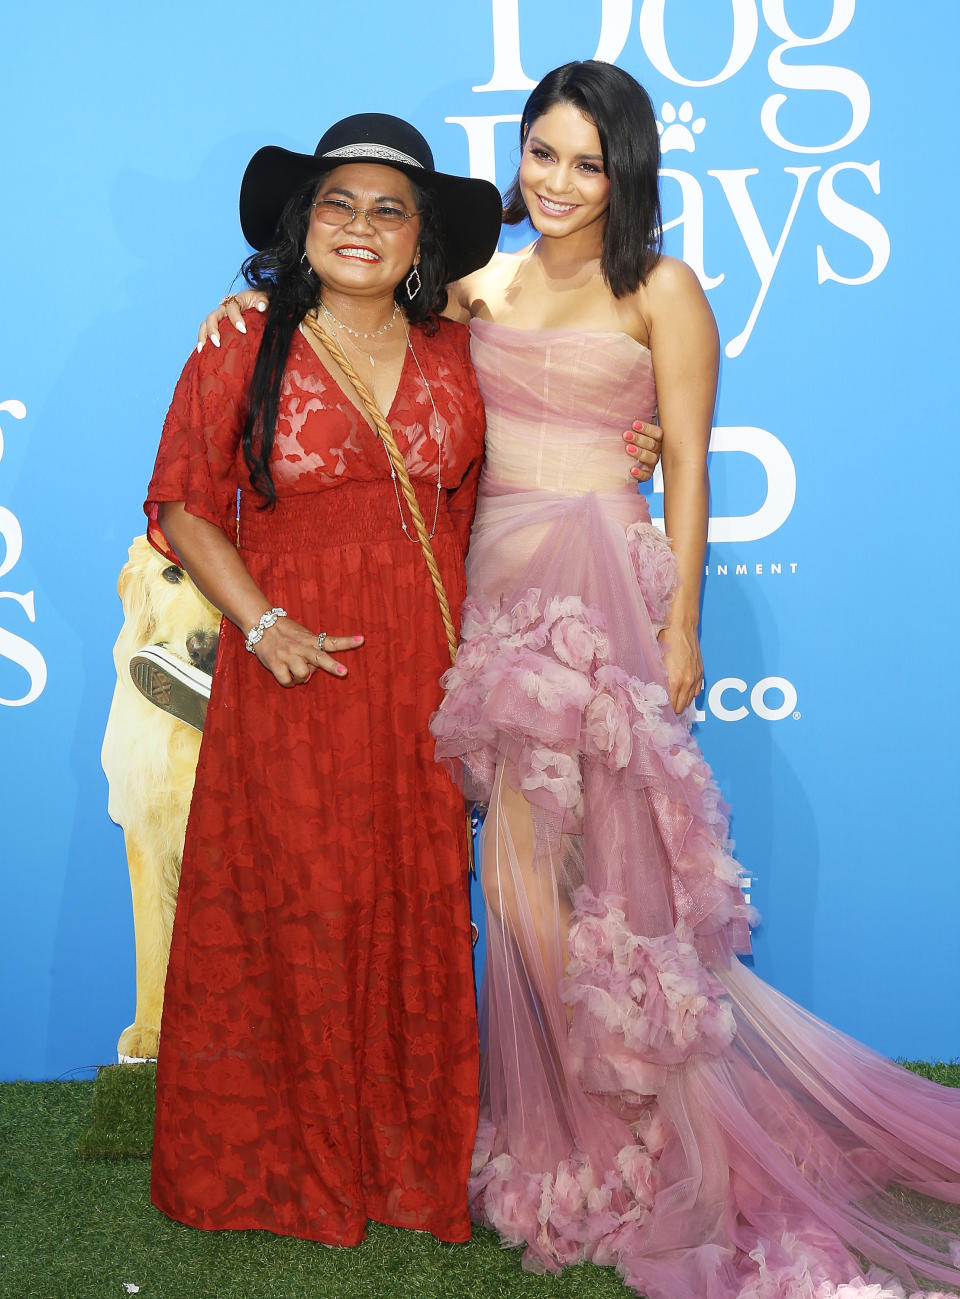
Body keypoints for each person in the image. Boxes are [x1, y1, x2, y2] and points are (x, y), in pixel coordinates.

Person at [196, 65, 960, 1298]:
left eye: (585, 163)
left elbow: (693, 467)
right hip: (493, 589)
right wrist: (237, 315)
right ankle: (554, 1143)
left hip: (606, 578)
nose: (556, 184)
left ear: (628, 176)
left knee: (628, 886)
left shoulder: (664, 291)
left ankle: (661, 1145)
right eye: (541, 155)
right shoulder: (470, 283)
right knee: (521, 887)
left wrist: (684, 621)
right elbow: (354, 325)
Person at [144, 113, 504, 1247]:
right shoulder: (238, 341)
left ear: (421, 240)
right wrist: (259, 625)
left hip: (427, 670)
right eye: (337, 204)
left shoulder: (462, 352)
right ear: (301, 229)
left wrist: (634, 446)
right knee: (300, 902)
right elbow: (186, 505)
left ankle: (409, 1163)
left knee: (416, 898)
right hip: (294, 665)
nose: (362, 225)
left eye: (389, 209)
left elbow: (511, 486)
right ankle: (295, 1168)